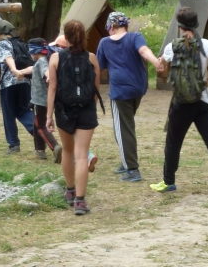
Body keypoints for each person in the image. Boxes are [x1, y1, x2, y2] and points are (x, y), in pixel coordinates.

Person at [149, 6, 208, 196]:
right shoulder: (207, 44)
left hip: (181, 102)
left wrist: (159, 64)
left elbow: (161, 63)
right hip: (203, 100)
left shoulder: (172, 46)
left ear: (179, 26)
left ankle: (168, 181)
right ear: (196, 24)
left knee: (173, 142)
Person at [96, 12, 162, 182]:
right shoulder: (135, 37)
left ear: (111, 26)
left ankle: (132, 169)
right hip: (138, 89)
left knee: (123, 129)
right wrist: (155, 62)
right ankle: (126, 159)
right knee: (126, 125)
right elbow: (144, 50)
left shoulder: (104, 42)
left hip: (120, 92)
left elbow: (100, 66)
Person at [47, 20, 101, 216]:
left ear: (66, 37)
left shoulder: (55, 58)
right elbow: (96, 89)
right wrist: (88, 107)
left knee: (68, 151)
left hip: (64, 110)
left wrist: (49, 116)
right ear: (83, 37)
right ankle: (80, 201)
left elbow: (52, 88)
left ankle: (70, 191)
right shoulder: (92, 58)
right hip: (86, 110)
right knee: (82, 155)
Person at [0, 19, 35, 155]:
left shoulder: (2, 43)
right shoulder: (21, 44)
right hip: (25, 82)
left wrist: (14, 71)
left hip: (8, 84)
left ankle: (13, 144)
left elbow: (8, 58)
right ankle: (40, 133)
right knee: (24, 110)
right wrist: (22, 73)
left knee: (9, 114)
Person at [28, 38, 62, 163]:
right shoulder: (47, 59)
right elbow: (32, 69)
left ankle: (55, 147)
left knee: (41, 126)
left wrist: (49, 77)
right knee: (36, 123)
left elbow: (46, 72)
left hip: (40, 100)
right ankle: (39, 150)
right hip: (46, 100)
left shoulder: (42, 61)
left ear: (34, 51)